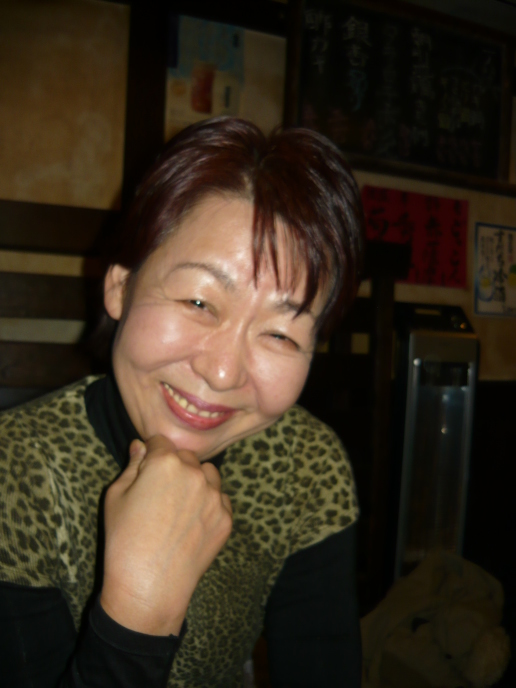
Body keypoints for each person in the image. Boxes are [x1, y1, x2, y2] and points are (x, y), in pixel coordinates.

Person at [0, 116, 365, 687]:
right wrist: (138, 615)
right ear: (120, 286)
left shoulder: (306, 465)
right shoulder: (14, 474)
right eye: (199, 302)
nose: (221, 372)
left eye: (280, 334)